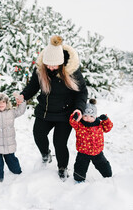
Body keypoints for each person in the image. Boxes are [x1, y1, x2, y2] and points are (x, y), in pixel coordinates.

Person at [16, 35, 88, 181]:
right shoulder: (41, 70)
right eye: (48, 64)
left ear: (61, 63)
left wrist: (79, 109)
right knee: (38, 134)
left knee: (60, 143)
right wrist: (23, 95)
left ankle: (62, 167)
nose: (50, 68)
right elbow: (33, 87)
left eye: (54, 65)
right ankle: (45, 154)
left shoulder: (72, 72)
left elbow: (82, 92)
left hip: (65, 114)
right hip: (45, 111)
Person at [69, 99, 113, 182]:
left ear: (95, 116)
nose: (88, 118)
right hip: (83, 152)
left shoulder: (100, 124)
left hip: (97, 152)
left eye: (91, 116)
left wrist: (106, 120)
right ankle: (79, 179)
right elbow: (72, 122)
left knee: (103, 165)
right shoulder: (80, 125)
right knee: (80, 167)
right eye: (85, 116)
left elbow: (108, 128)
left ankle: (109, 177)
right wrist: (75, 117)